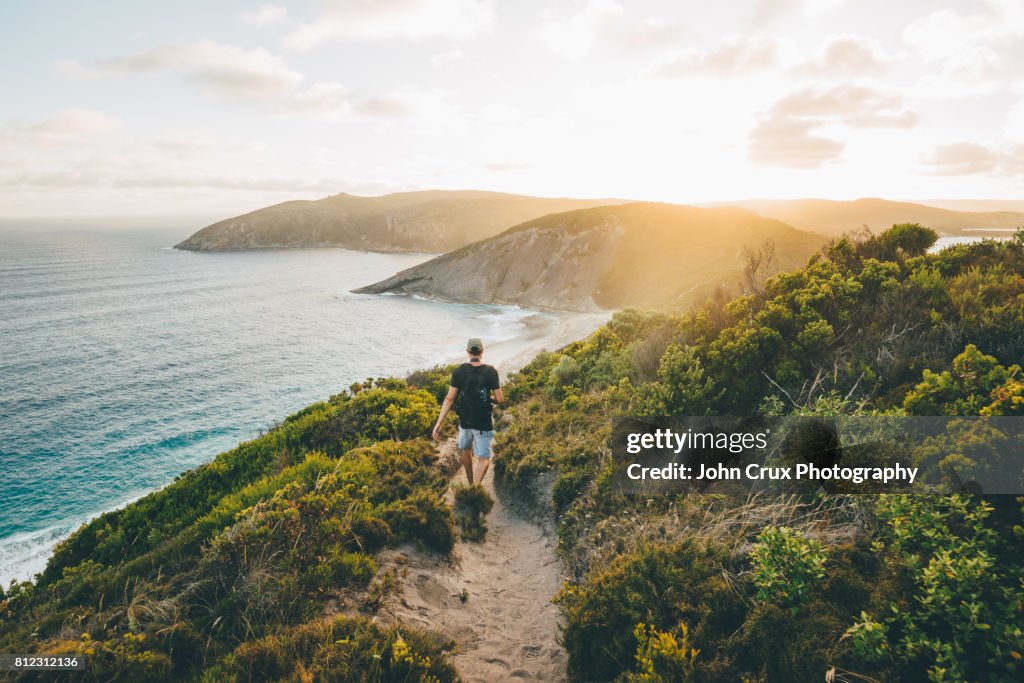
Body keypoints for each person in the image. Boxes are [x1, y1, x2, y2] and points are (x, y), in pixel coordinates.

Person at [432, 338, 503, 485]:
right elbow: (499, 399)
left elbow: (449, 398)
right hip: (483, 421)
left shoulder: (459, 371)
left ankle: (471, 483)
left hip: (465, 420)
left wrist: (438, 423)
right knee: (484, 459)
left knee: (465, 449)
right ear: (482, 352)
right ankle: (475, 488)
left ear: (468, 352)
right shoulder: (491, 371)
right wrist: (489, 398)